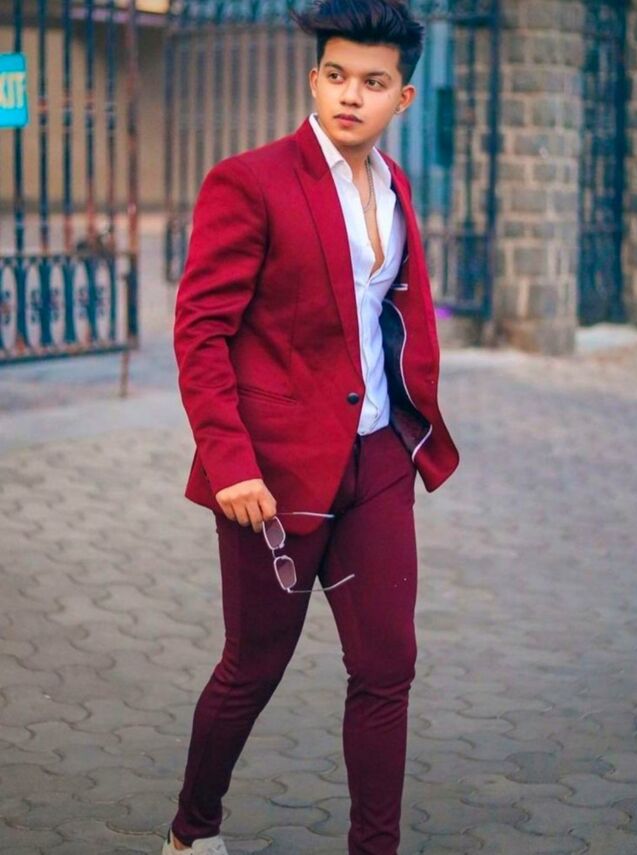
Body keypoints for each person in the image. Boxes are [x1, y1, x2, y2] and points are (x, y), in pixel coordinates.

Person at [163, 1, 460, 853]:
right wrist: (230, 463)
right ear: (313, 79)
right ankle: (191, 831)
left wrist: (412, 424)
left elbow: (394, 315)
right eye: (336, 76)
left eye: (372, 81)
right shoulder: (251, 181)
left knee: (387, 668)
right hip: (272, 474)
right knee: (254, 664)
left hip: (377, 460)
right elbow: (201, 331)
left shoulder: (395, 188)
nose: (350, 96)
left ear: (402, 97)